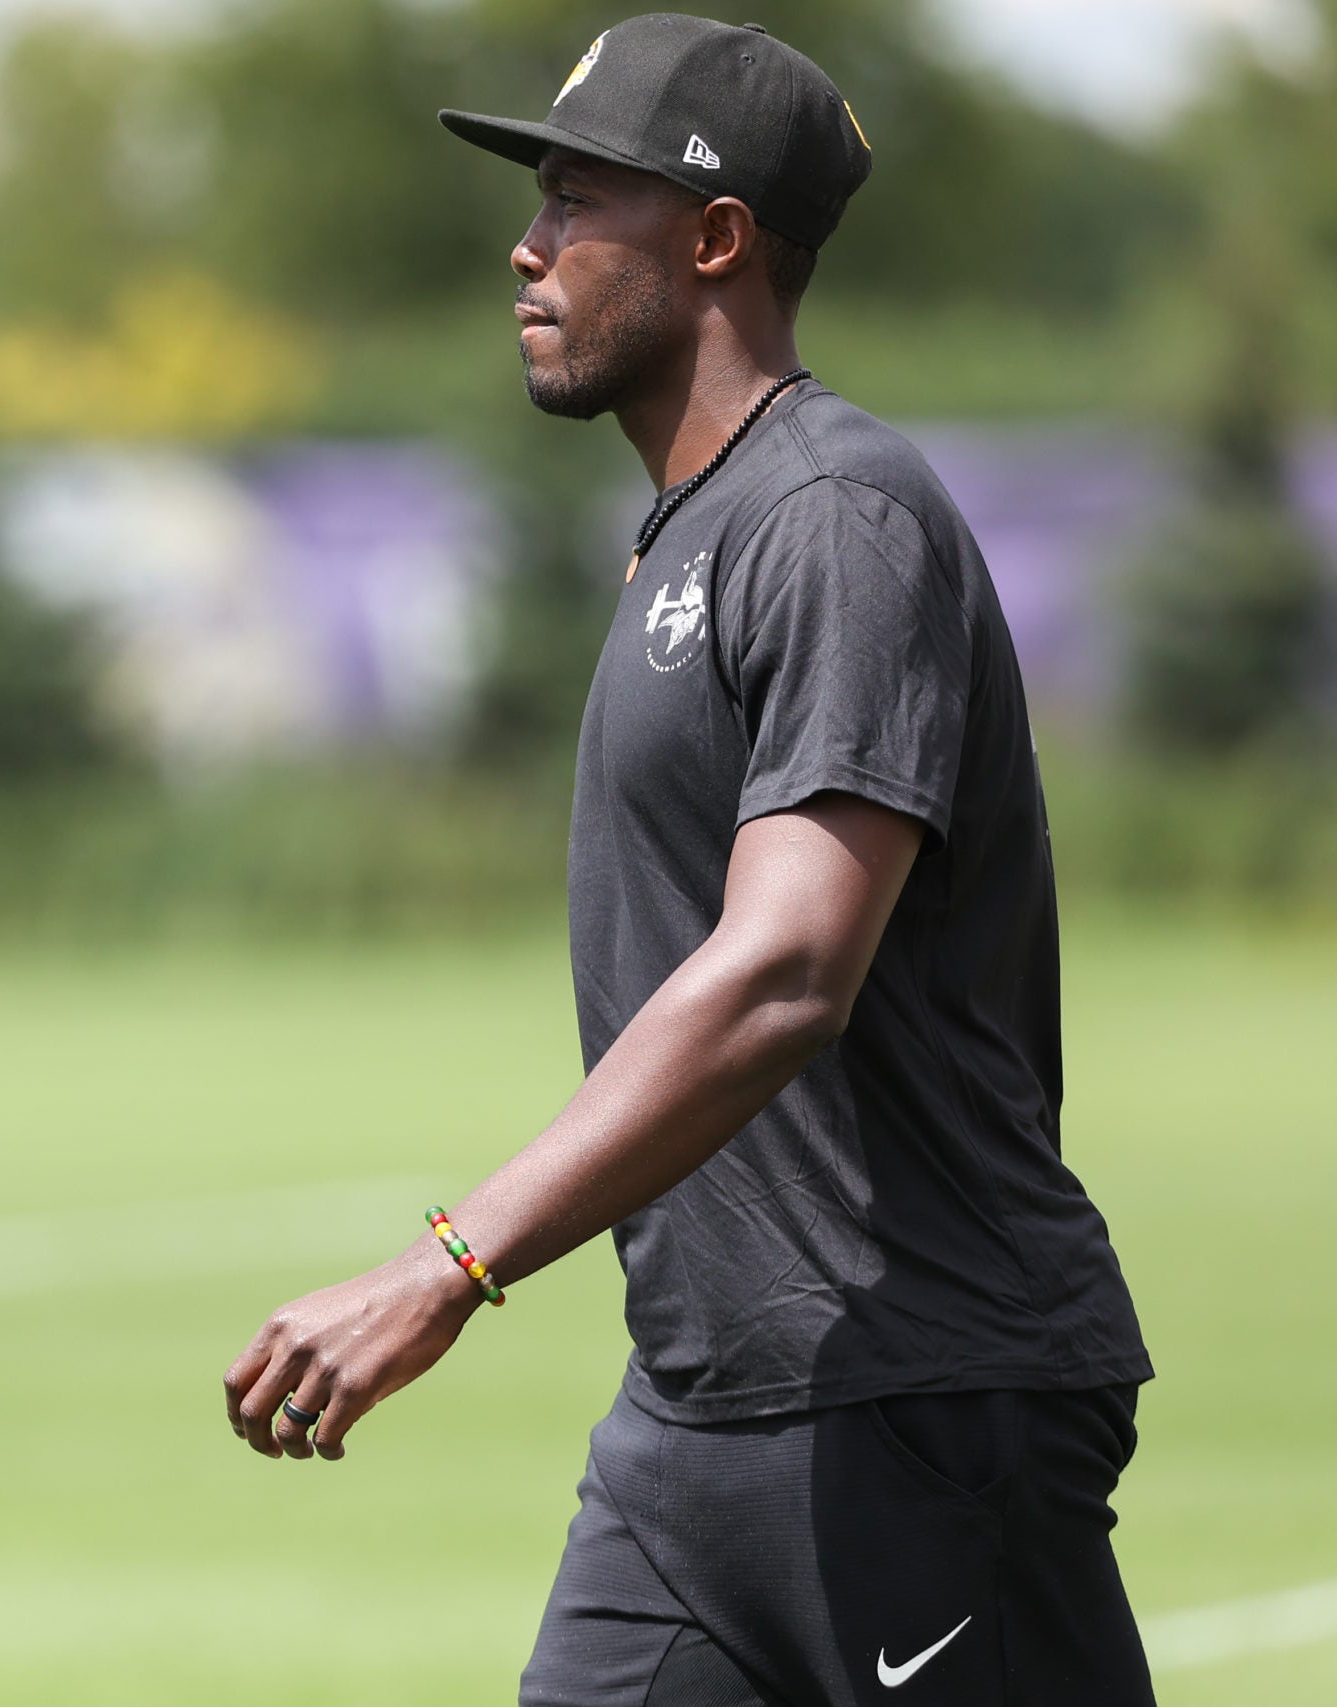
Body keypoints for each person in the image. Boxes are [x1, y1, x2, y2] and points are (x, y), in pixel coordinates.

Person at [217, 16, 1154, 1705]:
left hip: (918, 1401)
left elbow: (792, 967)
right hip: (701, 1425)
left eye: (579, 201)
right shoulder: (697, 529)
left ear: (716, 240)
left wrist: (451, 1262)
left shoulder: (835, 518)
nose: (528, 244)